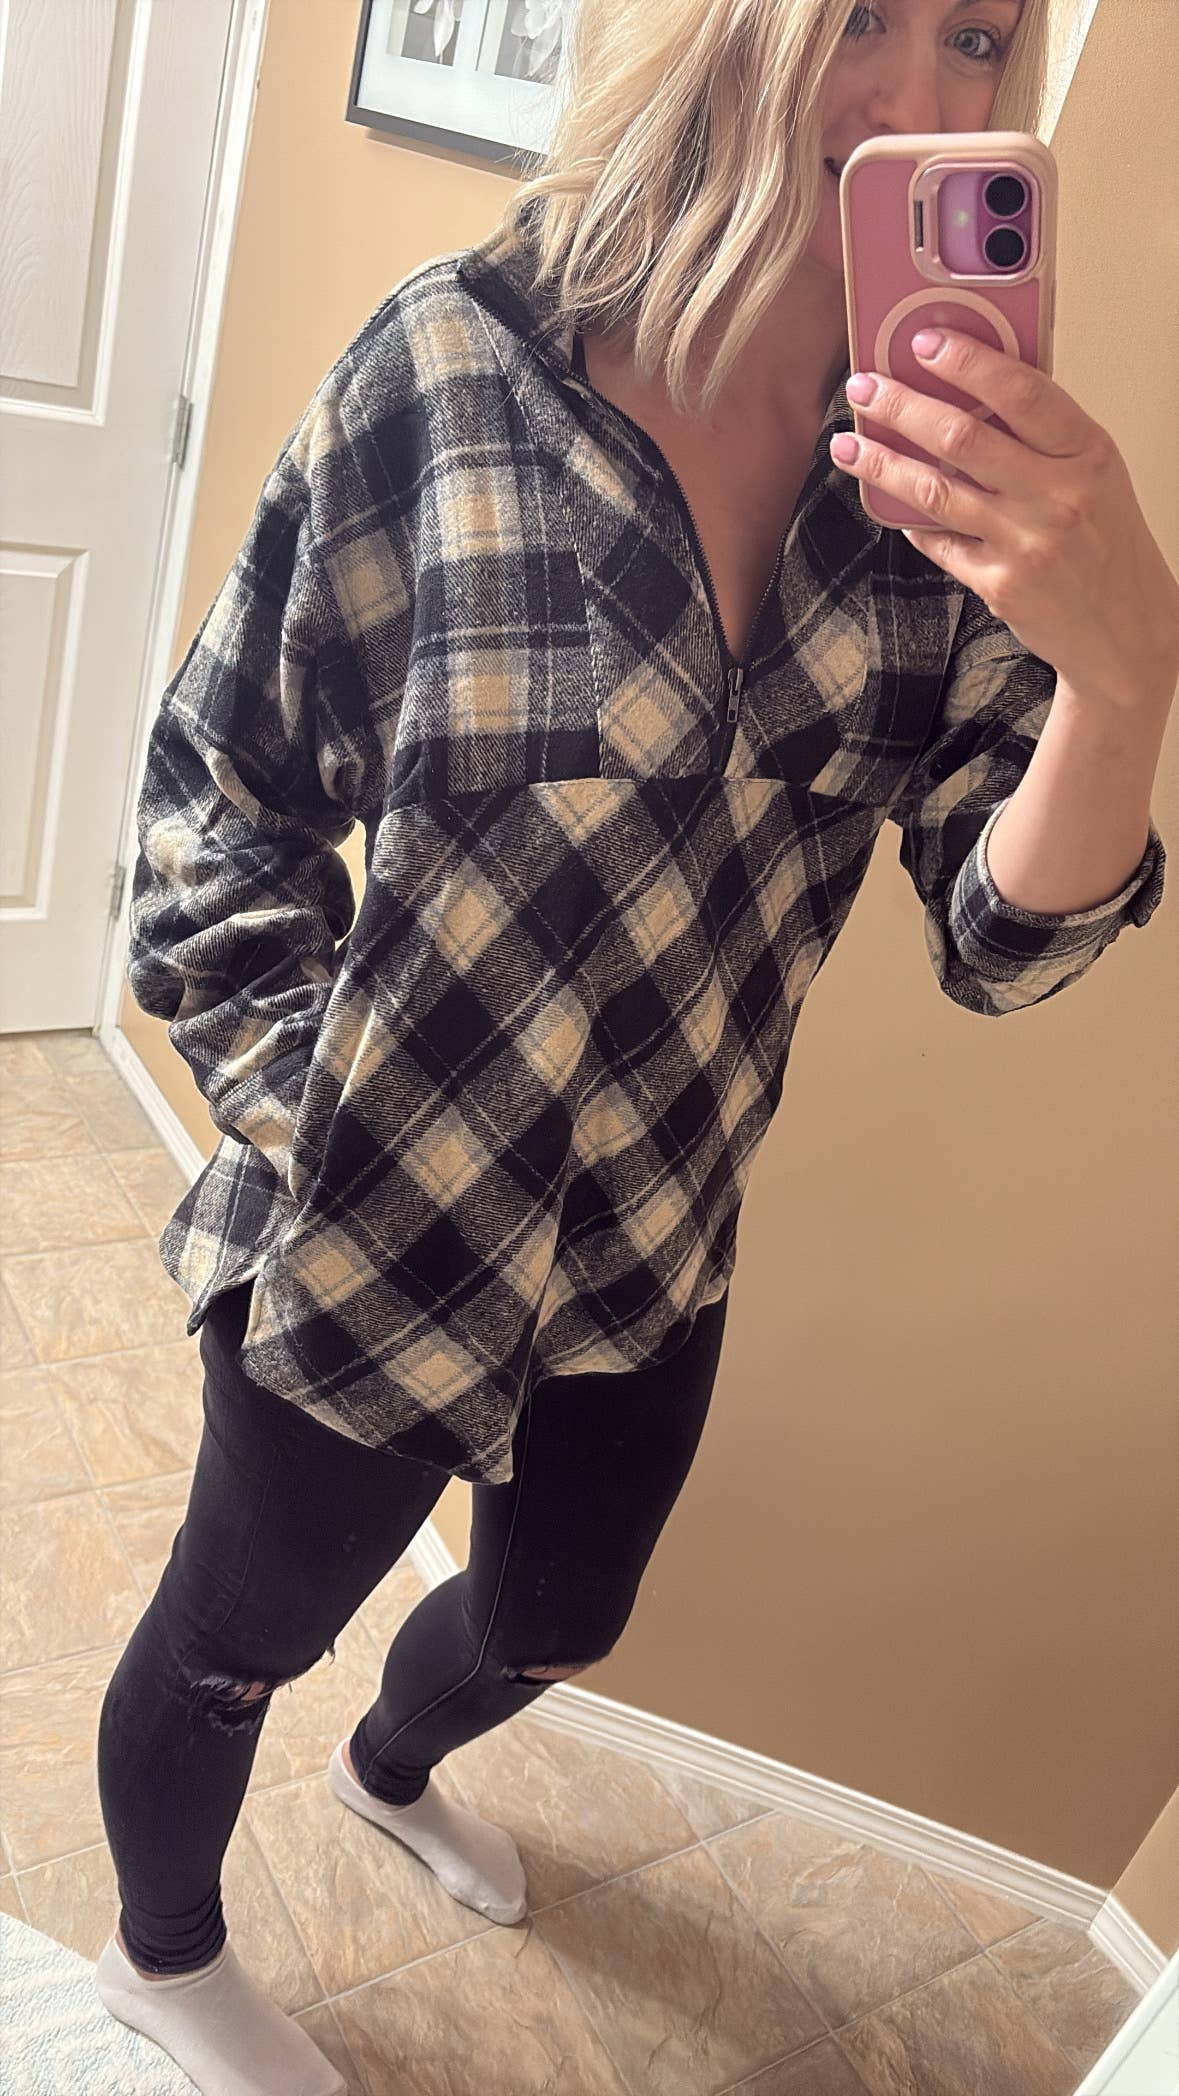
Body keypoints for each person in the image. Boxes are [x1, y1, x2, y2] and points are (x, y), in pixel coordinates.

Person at [95, 2, 1174, 2091]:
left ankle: (392, 1773)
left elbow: (997, 941)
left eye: (979, 34)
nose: (925, 99)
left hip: (650, 1255)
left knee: (551, 1625)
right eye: (861, 18)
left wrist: (1121, 681)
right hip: (368, 1248)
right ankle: (161, 1952)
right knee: (232, 1642)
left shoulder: (949, 495)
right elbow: (211, 812)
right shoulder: (451, 372)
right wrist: (320, 1128)